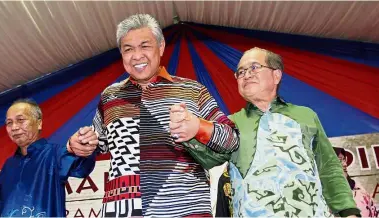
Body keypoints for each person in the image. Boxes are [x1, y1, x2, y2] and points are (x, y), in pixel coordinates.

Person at [68, 14, 239, 217]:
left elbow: (232, 139)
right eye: (128, 49)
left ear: (161, 47)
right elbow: (97, 143)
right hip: (124, 210)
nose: (137, 55)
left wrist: (198, 127)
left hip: (184, 210)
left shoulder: (192, 91)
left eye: (145, 46)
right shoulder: (109, 96)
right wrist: (78, 144)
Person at [186, 47, 360, 217]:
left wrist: (349, 212)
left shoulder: (306, 116)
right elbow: (206, 158)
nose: (246, 74)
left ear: (276, 75)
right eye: (240, 72)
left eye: (254, 67)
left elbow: (328, 167)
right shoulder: (230, 124)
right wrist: (189, 131)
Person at [0, 98, 97, 217]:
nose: (14, 127)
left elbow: (81, 167)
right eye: (9, 123)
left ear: (39, 123)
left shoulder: (54, 154)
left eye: (20, 120)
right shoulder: (9, 164)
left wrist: (82, 147)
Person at [334, 147, 378, 217]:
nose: (345, 164)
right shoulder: (323, 196)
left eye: (344, 160)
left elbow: (374, 213)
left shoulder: (358, 189)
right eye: (339, 161)